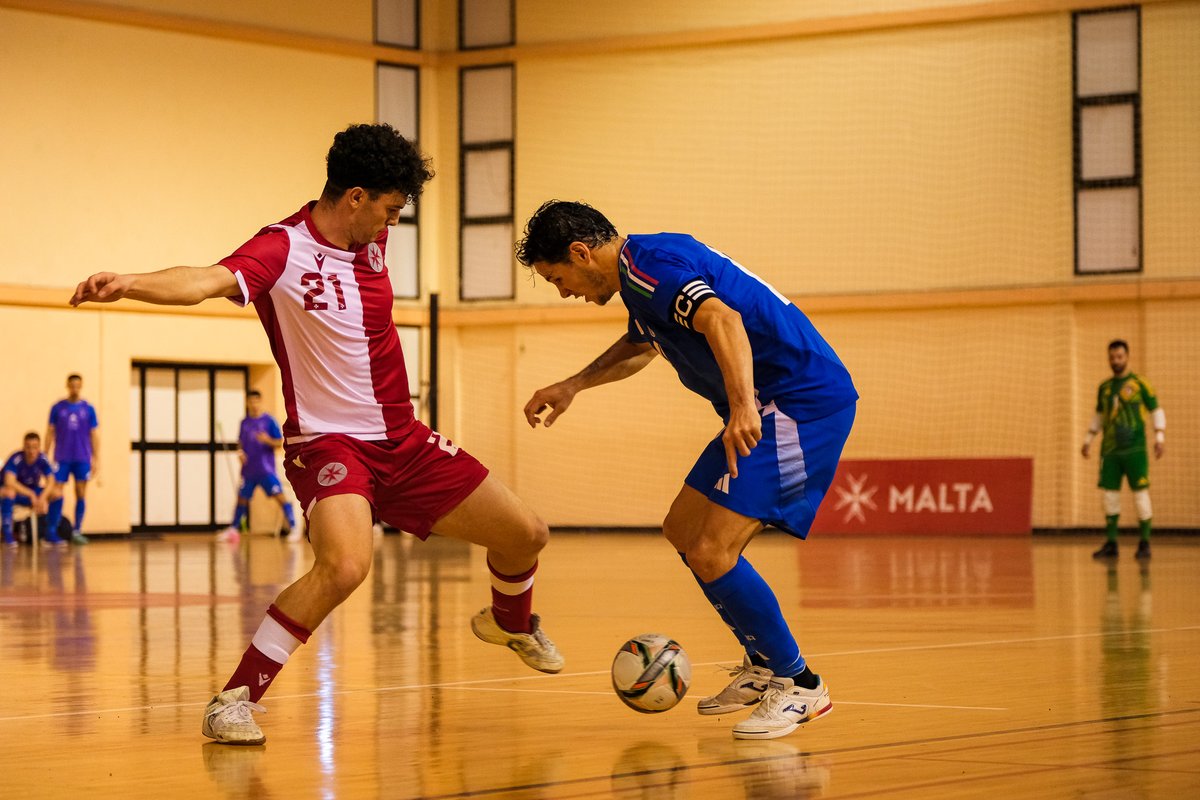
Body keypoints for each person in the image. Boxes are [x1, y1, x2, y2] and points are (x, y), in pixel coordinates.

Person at [70, 123, 563, 746]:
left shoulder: (370, 241)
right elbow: (204, 281)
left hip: (403, 440)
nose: (393, 225)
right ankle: (234, 701)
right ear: (355, 198)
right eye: (389, 210)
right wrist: (129, 283)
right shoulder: (281, 249)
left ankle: (510, 622)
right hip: (329, 444)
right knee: (346, 565)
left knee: (527, 534)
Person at [516, 200, 858, 740]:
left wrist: (742, 407)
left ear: (581, 253)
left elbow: (723, 318)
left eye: (558, 278)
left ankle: (800, 684)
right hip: (767, 404)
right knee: (682, 528)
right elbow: (641, 346)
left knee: (712, 550)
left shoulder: (650, 266)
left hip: (799, 403)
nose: (564, 292)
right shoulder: (640, 278)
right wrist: (573, 385)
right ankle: (763, 663)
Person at [1082, 339, 1164, 561]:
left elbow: (1156, 410)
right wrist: (1088, 439)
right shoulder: (1104, 388)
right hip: (1110, 452)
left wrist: (1159, 437)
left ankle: (1145, 543)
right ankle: (1111, 544)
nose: (1116, 361)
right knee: (1109, 497)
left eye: (1119, 357)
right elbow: (1099, 415)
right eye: (1112, 357)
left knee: (1140, 495)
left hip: (1135, 450)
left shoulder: (1140, 384)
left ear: (1127, 357)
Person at [217, 390, 298, 544]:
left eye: (256, 401)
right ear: (247, 403)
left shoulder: (269, 421)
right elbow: (240, 442)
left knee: (279, 496)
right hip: (249, 469)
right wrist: (240, 453)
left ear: (260, 401)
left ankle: (293, 527)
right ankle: (233, 529)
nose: (254, 405)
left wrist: (267, 440)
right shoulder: (244, 422)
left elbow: (279, 442)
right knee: (242, 499)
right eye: (251, 402)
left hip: (266, 469)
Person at [45, 374, 99, 545]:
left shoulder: (88, 409)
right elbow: (50, 431)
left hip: (82, 457)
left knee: (81, 492)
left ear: (81, 386)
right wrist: (45, 455)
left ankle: (77, 530)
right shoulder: (58, 408)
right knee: (56, 491)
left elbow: (94, 434)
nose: (74, 388)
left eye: (77, 385)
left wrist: (96, 458)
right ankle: (52, 530)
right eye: (72, 385)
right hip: (62, 456)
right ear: (67, 385)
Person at [1, 432, 59, 548]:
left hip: (31, 494)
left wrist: (42, 498)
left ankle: (51, 533)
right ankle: (7, 534)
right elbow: (9, 482)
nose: (31, 451)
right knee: (9, 492)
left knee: (57, 493)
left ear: (39, 448)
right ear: (24, 447)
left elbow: (51, 481)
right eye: (28, 447)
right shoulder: (16, 459)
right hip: (15, 493)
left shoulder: (42, 459)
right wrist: (31, 494)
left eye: (35, 447)